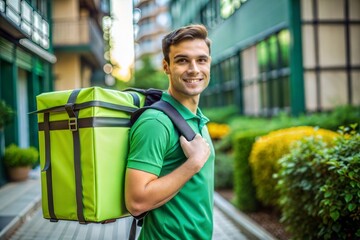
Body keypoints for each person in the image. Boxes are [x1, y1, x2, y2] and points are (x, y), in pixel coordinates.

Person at [125, 24, 215, 239]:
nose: (194, 69)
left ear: (209, 63)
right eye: (182, 60)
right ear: (166, 66)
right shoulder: (156, 122)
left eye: (201, 60)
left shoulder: (196, 118)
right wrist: (193, 163)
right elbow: (136, 202)